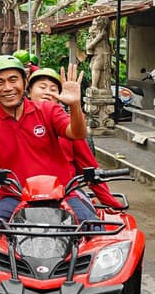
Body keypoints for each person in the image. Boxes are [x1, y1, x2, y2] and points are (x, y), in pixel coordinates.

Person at [0, 55, 96, 223]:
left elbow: (77, 133)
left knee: (95, 232)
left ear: (25, 82)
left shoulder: (48, 110)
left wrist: (74, 105)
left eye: (13, 80)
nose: (7, 88)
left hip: (62, 196)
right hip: (14, 198)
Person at [27, 68, 123, 209]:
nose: (48, 92)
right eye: (42, 87)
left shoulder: (71, 127)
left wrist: (112, 205)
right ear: (29, 92)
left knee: (92, 224)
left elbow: (89, 168)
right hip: (25, 193)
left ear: (60, 95)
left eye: (53, 89)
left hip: (66, 192)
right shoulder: (15, 121)